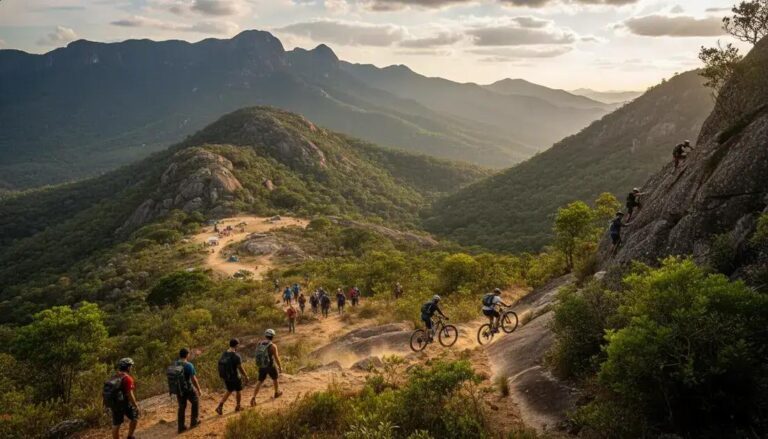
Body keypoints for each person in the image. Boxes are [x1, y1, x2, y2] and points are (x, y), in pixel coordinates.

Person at [215, 339, 250, 415]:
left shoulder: (224, 353)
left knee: (229, 390)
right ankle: (238, 406)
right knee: (238, 391)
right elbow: (240, 368)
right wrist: (246, 376)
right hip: (235, 377)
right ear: (236, 345)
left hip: (226, 377)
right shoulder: (236, 356)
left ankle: (220, 406)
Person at [250, 329, 283, 406]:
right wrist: (280, 367)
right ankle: (276, 392)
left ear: (265, 336)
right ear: (273, 337)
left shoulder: (259, 343)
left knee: (260, 381)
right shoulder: (273, 346)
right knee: (275, 378)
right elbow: (276, 358)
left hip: (262, 366)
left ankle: (253, 397)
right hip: (270, 365)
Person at [111, 358, 139, 439]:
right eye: (131, 366)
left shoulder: (115, 376)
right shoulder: (127, 378)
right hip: (124, 403)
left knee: (116, 424)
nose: (131, 368)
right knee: (134, 418)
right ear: (128, 367)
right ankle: (130, 436)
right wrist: (135, 405)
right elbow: (130, 394)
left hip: (115, 404)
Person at [175, 348, 201, 433]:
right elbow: (193, 379)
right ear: (187, 355)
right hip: (188, 388)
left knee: (181, 407)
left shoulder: (175, 364)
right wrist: (198, 389)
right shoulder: (189, 365)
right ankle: (194, 422)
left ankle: (181, 427)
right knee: (195, 401)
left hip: (179, 389)